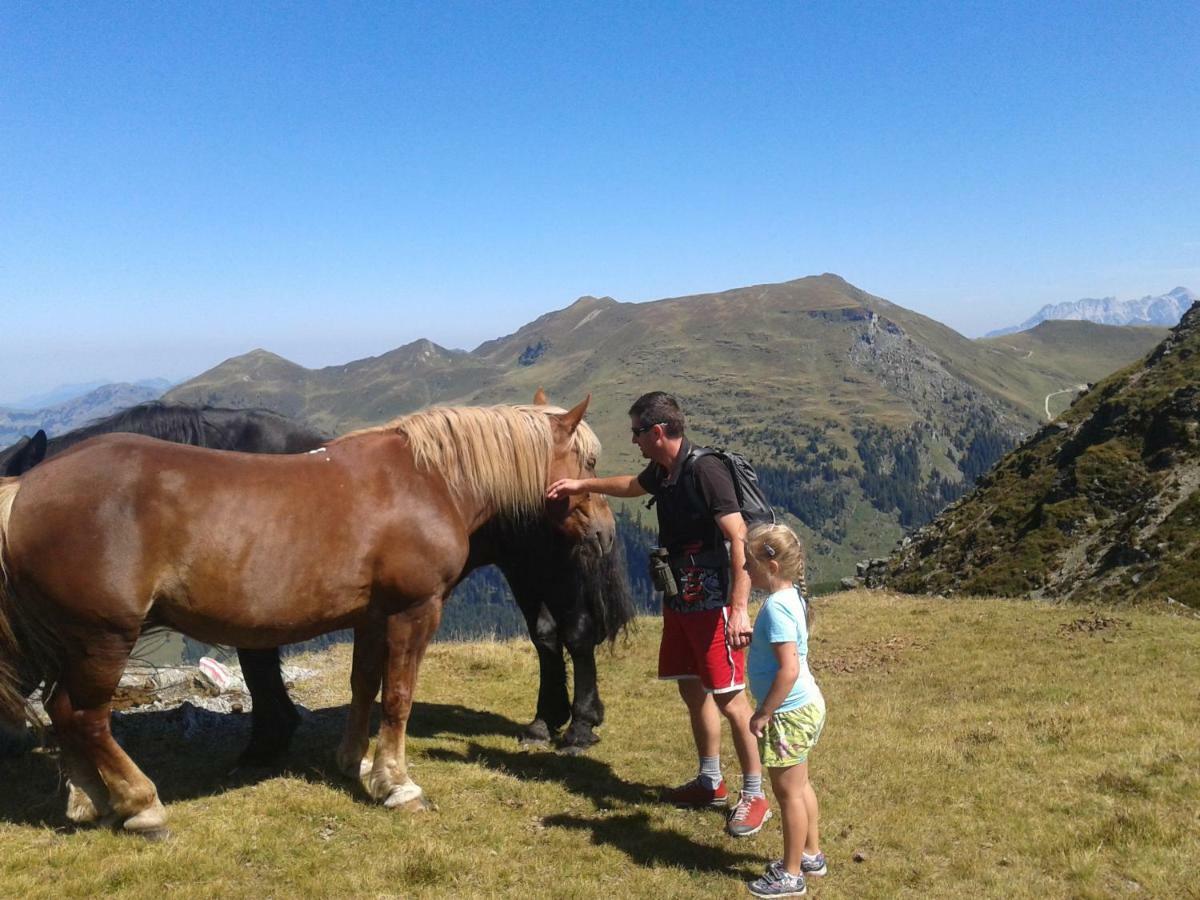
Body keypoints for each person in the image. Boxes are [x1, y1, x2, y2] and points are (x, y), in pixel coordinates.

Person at [546, 391, 770, 837]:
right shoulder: (666, 470)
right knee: (692, 689)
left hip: (714, 602)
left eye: (637, 432)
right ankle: (711, 781)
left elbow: (738, 538)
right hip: (681, 598)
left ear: (658, 431)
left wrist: (740, 611)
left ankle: (755, 792)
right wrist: (581, 486)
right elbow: (633, 485)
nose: (633, 441)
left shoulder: (704, 470)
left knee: (730, 697)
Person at [742, 523, 826, 898]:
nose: (745, 572)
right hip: (807, 705)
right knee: (800, 784)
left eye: (750, 565)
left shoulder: (775, 608)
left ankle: (791, 875)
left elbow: (788, 669)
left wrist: (763, 712)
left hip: (788, 713)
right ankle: (811, 854)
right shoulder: (791, 598)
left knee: (787, 793)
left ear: (771, 567)